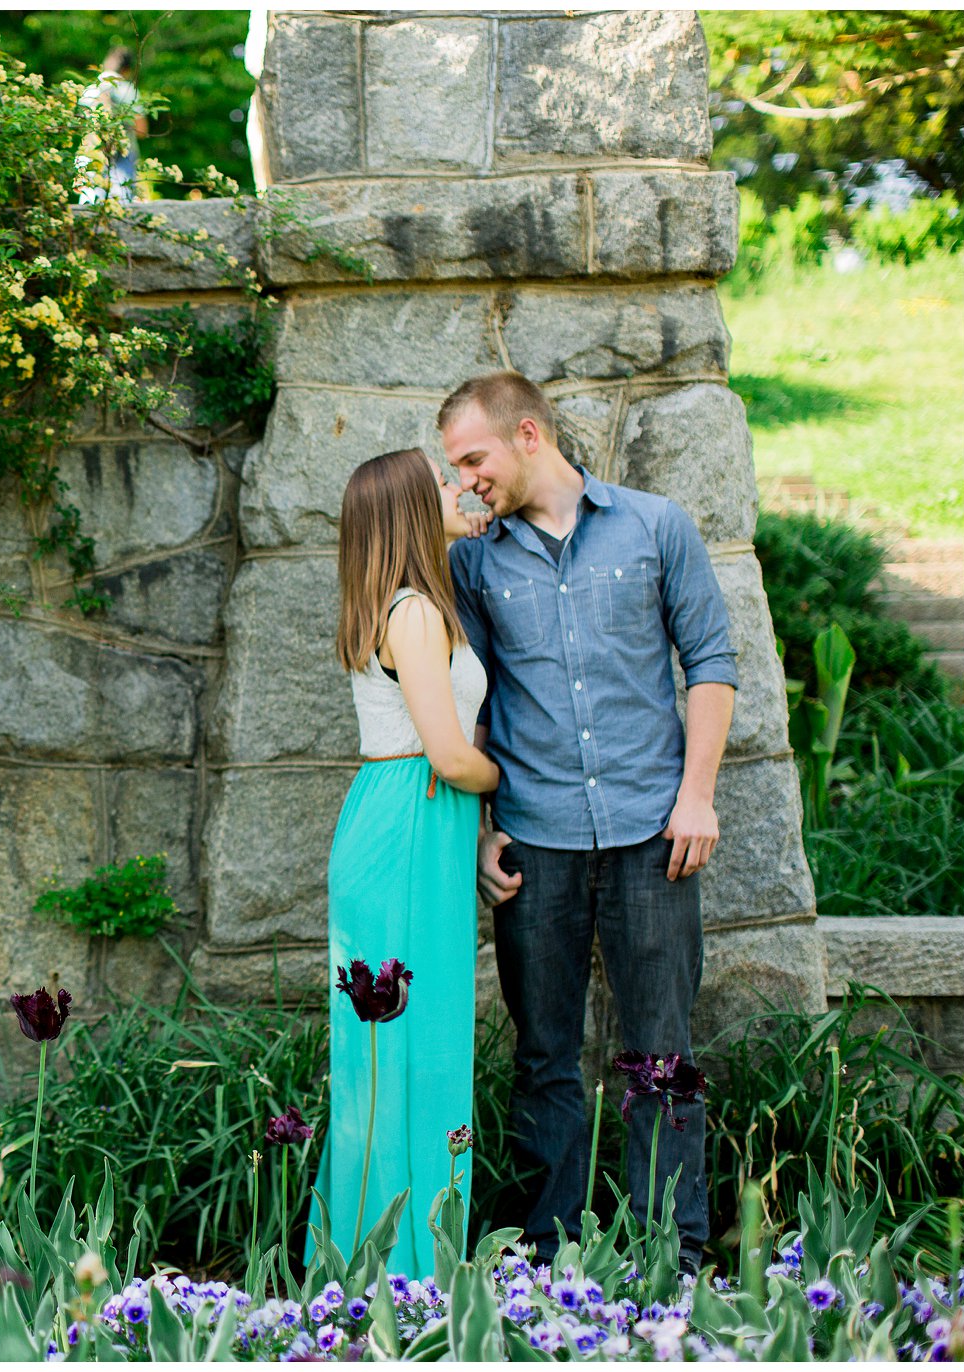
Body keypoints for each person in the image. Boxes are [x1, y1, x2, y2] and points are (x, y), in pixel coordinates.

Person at [440, 371, 737, 1276]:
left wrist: (697, 795)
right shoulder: (472, 562)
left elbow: (713, 661)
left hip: (656, 834)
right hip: (537, 841)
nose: (464, 482)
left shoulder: (656, 527)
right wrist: (486, 827)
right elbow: (473, 705)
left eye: (473, 459)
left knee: (661, 1055)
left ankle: (670, 1256)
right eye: (454, 467)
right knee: (545, 1058)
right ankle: (547, 1258)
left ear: (527, 433)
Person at [311, 447, 500, 1280]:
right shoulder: (415, 613)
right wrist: (514, 783)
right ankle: (400, 1271)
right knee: (404, 1048)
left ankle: (391, 1260)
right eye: (444, 482)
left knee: (405, 1049)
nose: (460, 489)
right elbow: (451, 757)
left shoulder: (406, 605)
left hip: (413, 825)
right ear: (413, 509)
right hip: (409, 826)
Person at [77, 46, 148, 202]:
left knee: (90, 202)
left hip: (94, 152)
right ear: (126, 70)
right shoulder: (128, 91)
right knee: (122, 202)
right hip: (123, 153)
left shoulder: (91, 90)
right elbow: (141, 130)